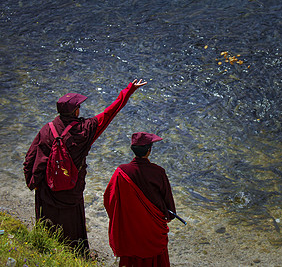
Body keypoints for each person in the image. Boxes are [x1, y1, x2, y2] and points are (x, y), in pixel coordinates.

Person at [23, 79, 147, 256]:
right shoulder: (85, 130)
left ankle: (45, 252)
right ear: (75, 111)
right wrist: (129, 90)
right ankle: (78, 256)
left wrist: (32, 182)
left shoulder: (46, 130)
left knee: (47, 226)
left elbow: (30, 159)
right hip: (71, 190)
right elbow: (110, 112)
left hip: (47, 190)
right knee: (73, 228)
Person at [103, 132, 176, 267]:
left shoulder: (121, 172)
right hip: (152, 229)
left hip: (130, 228)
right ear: (149, 150)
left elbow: (108, 198)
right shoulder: (158, 172)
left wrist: (121, 217)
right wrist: (168, 215)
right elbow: (169, 205)